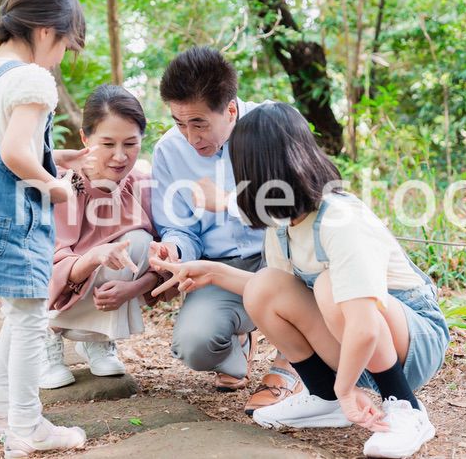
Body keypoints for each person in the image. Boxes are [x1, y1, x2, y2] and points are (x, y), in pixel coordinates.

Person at [150, 103, 450, 458]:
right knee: (265, 286)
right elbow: (279, 295)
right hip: (357, 342)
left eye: (240, 170)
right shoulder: (283, 224)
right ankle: (324, 397)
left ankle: (404, 406)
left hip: (413, 344)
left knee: (328, 286)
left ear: (261, 171)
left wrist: (347, 388)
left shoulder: (340, 218)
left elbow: (366, 325)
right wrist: (211, 272)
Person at [0, 0, 87, 458]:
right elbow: (13, 152)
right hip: (15, 220)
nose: (61, 58)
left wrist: (58, 157)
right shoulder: (33, 78)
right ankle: (29, 427)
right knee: (31, 320)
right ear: (46, 31)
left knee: (19, 313)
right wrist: (56, 186)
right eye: (65, 46)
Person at [149, 47, 303, 413]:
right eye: (179, 123)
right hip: (221, 269)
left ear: (230, 110)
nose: (190, 137)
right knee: (194, 345)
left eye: (199, 124)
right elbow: (179, 227)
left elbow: (303, 205)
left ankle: (291, 363)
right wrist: (173, 249)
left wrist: (231, 201)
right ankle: (240, 342)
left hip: (283, 257)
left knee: (309, 260)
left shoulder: (274, 126)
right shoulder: (169, 151)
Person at [41, 84, 162, 389]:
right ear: (85, 139)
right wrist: (93, 257)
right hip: (52, 294)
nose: (120, 156)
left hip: (99, 290)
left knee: (140, 241)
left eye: (130, 144)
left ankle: (96, 338)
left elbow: (164, 259)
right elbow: (47, 265)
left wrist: (133, 288)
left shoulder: (144, 187)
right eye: (107, 143)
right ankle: (45, 338)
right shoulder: (62, 185)